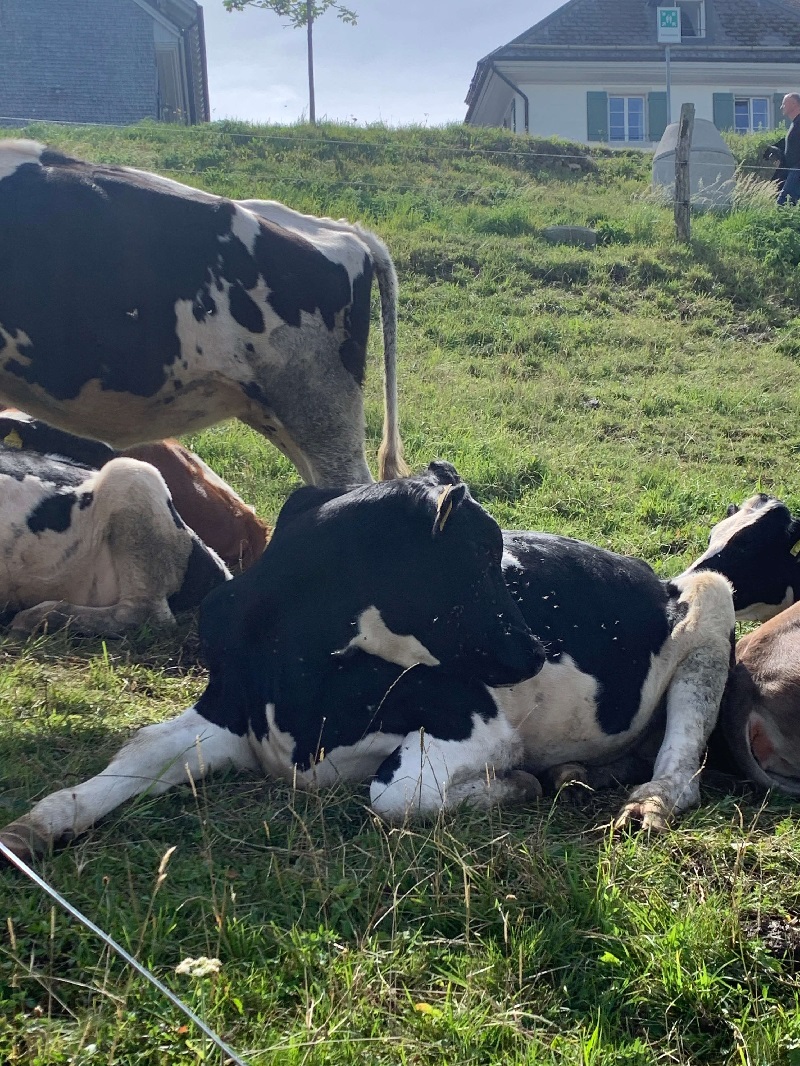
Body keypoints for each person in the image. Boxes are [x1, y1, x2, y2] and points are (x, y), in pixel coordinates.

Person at [764, 93, 800, 204]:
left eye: (784, 104)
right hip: (792, 170)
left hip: (797, 170)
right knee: (787, 203)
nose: (781, 107)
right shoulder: (795, 124)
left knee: (783, 204)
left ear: (794, 104)